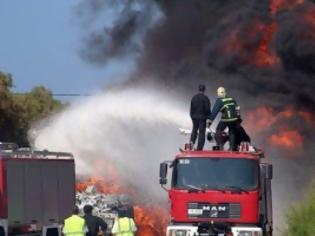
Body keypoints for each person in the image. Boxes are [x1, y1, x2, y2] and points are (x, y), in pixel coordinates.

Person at [208, 87, 248, 151]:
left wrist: (209, 122)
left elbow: (214, 112)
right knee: (232, 131)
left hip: (226, 119)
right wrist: (238, 118)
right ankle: (232, 147)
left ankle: (220, 146)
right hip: (234, 119)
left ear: (218, 94)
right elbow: (237, 108)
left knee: (218, 130)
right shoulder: (232, 99)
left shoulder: (219, 100)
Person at [189, 84, 211, 150]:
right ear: (204, 90)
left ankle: (190, 145)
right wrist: (208, 117)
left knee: (194, 131)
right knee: (201, 133)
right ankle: (199, 148)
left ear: (198, 89)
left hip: (194, 117)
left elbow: (191, 108)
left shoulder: (194, 97)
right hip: (202, 118)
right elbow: (207, 109)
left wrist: (192, 116)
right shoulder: (205, 98)